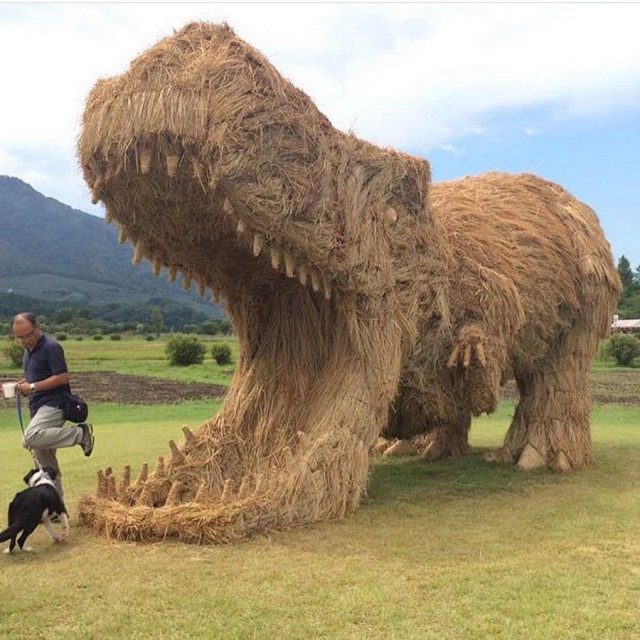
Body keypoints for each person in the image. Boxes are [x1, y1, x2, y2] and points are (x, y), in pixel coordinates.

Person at [11, 312, 94, 497]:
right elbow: (35, 376)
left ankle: (80, 433)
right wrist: (21, 384)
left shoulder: (51, 347)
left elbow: (62, 377)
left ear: (38, 327)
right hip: (37, 406)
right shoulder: (28, 351)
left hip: (55, 403)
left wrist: (31, 387)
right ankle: (55, 505)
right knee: (45, 462)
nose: (25, 340)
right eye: (20, 338)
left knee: (30, 438)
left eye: (29, 334)